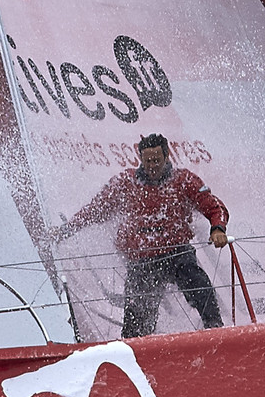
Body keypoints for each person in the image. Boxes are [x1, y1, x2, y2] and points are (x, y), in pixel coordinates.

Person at [57, 134, 229, 338]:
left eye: (156, 160)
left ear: (167, 156)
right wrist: (67, 229)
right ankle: (134, 345)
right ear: (140, 159)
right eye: (147, 161)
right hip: (142, 260)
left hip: (177, 254)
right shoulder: (125, 182)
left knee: (198, 283)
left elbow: (214, 207)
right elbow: (96, 210)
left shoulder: (184, 180)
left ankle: (216, 330)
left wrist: (218, 228)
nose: (152, 166)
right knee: (136, 316)